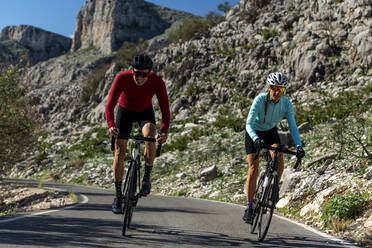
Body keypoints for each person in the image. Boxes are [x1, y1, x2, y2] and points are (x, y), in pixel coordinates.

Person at [105, 53, 170, 214]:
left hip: (144, 112)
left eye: (144, 74)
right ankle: (119, 196)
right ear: (131, 70)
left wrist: (164, 132)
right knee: (119, 152)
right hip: (124, 112)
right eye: (136, 73)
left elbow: (165, 110)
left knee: (150, 134)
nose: (139, 77)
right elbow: (109, 106)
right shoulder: (122, 78)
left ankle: (146, 178)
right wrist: (111, 125)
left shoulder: (157, 82)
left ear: (149, 73)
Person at [242, 72, 305, 223]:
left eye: (281, 89)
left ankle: (274, 188)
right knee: (253, 168)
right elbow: (248, 124)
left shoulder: (286, 104)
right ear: (269, 87)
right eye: (275, 88)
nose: (277, 92)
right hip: (254, 133)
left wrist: (299, 146)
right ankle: (249, 206)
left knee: (279, 158)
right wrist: (256, 139)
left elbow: (293, 128)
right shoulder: (259, 100)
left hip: (270, 132)